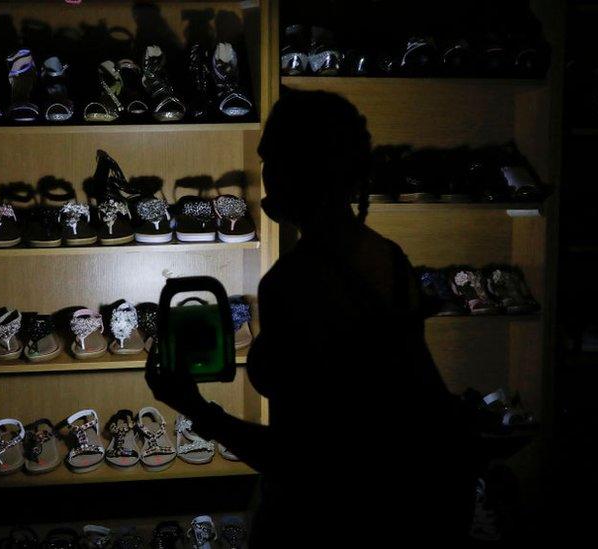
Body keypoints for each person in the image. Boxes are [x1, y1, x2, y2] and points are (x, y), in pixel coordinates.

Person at [147, 90, 472, 545]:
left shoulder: (294, 281)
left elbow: (300, 456)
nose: (265, 177)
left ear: (292, 172)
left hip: (320, 519)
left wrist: (196, 409)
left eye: (271, 161)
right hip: (404, 509)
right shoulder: (387, 256)